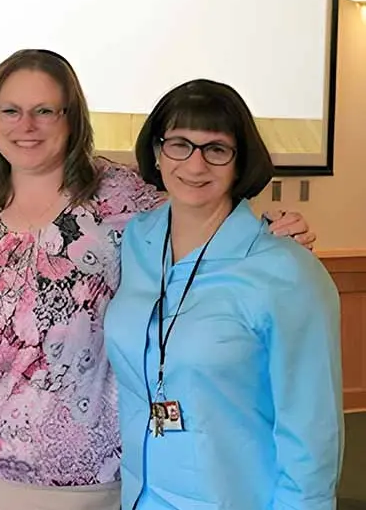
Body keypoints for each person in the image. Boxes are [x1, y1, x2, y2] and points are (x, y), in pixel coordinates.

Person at [0, 50, 315, 509]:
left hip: (75, 478)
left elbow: (207, 206)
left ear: (72, 118)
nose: (25, 125)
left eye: (44, 111)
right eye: (10, 110)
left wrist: (277, 227)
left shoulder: (122, 198)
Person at [103, 78, 343, 509]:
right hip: (140, 496)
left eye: (216, 149)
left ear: (240, 161)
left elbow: (310, 432)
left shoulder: (287, 272)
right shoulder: (136, 239)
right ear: (157, 154)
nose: (195, 166)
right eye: (179, 144)